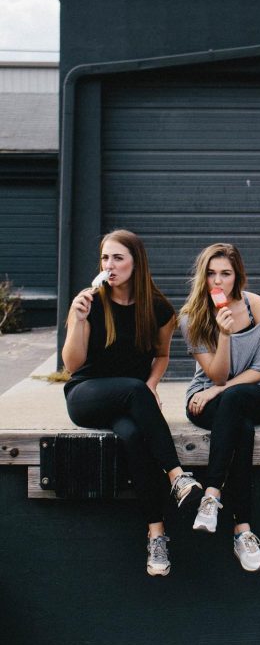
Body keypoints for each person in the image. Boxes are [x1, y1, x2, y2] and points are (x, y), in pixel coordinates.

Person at [62, 229, 202, 578]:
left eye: (118, 258)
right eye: (105, 258)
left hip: (128, 404)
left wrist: (152, 383)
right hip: (87, 394)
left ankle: (156, 534)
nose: (109, 265)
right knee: (134, 389)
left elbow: (162, 354)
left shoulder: (158, 308)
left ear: (136, 263)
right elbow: (72, 365)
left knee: (133, 438)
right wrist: (77, 321)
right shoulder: (90, 302)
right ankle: (177, 475)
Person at [179, 243, 260, 573]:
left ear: (238, 276)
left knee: (234, 400)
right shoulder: (191, 316)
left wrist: (220, 390)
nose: (218, 282)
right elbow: (216, 373)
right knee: (242, 430)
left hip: (253, 393)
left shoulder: (259, 308)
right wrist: (223, 334)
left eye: (226, 274)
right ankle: (243, 532)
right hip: (205, 397)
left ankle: (211, 495)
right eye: (211, 274)